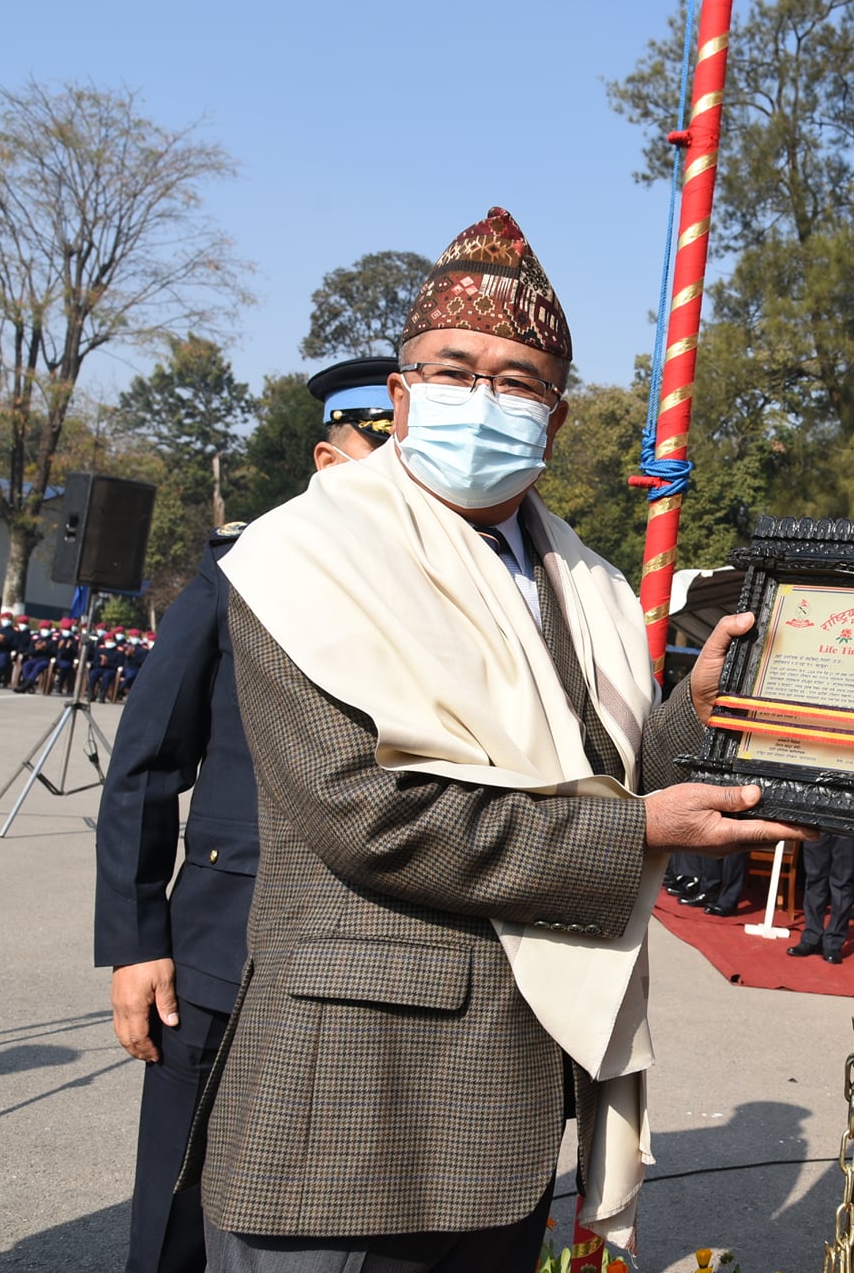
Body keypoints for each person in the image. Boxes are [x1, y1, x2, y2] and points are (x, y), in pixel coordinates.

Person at [193, 209, 807, 1271]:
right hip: (355, 1097)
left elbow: (603, 779)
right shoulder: (305, 554)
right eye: (452, 368)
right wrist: (637, 831)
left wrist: (695, 709)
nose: (481, 398)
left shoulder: (588, 581)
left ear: (555, 420)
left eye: (517, 381)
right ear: (399, 394)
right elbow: (366, 819)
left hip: (518, 1093)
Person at [94, 355, 398, 1273]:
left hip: (369, 957)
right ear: (327, 458)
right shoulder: (243, 571)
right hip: (222, 952)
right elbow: (146, 762)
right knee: (178, 1218)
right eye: (375, 453)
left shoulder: (449, 600)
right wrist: (138, 939)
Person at [788, 832, 854, 965]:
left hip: (848, 823)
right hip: (819, 820)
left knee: (843, 882)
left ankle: (833, 943)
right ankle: (811, 937)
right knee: (814, 878)